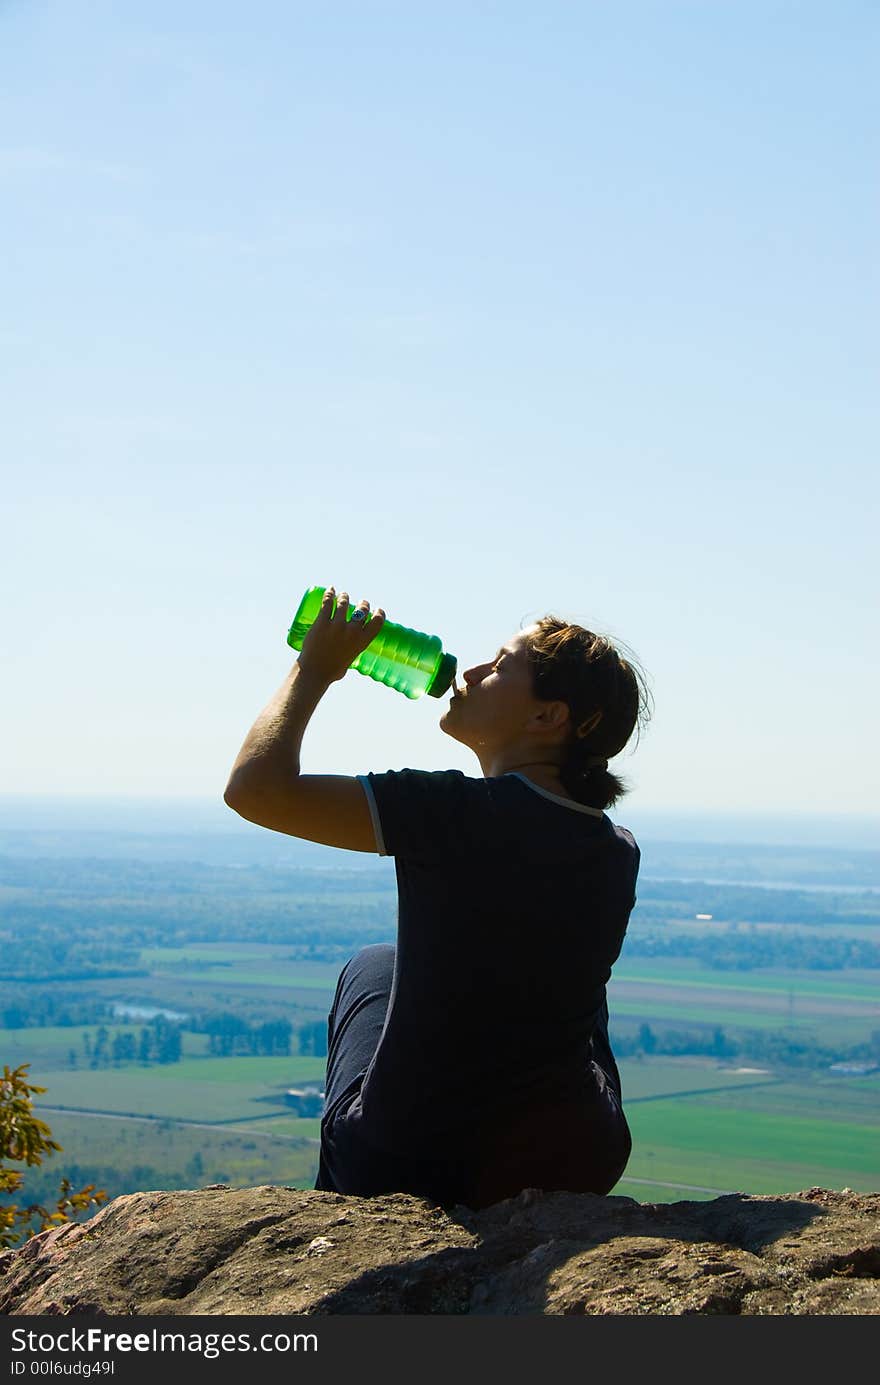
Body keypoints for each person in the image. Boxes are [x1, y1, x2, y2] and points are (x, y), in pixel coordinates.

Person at [224, 587, 652, 1210]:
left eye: (501, 666)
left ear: (546, 717)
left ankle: (339, 1219)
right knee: (561, 970)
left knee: (372, 964)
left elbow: (255, 789)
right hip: (576, 1158)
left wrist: (315, 667)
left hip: (409, 1162)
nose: (472, 671)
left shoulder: (453, 813)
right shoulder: (617, 848)